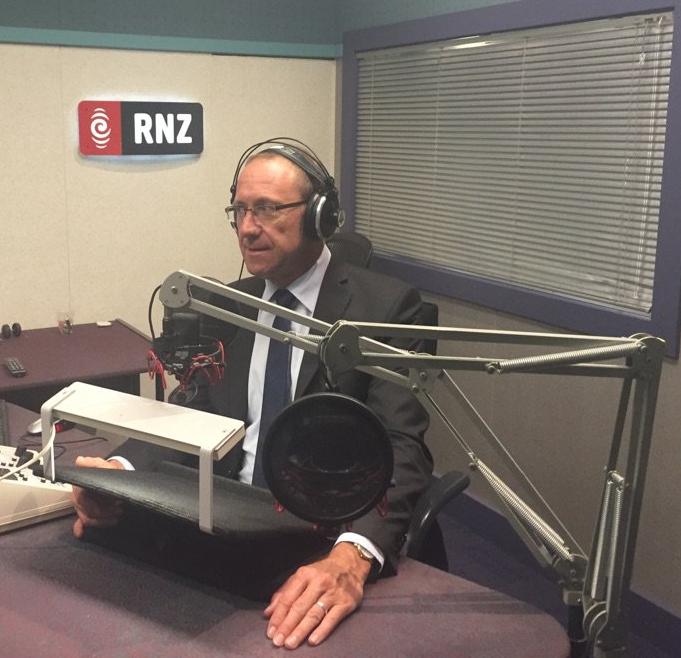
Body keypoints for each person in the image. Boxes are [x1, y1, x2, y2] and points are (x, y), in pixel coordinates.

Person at [70, 139, 433, 650]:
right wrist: (119, 472)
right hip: (225, 524)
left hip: (320, 537)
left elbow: (402, 446)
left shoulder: (387, 309)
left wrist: (354, 554)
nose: (247, 227)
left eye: (267, 209)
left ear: (321, 217)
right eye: (239, 210)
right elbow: (192, 412)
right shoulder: (230, 306)